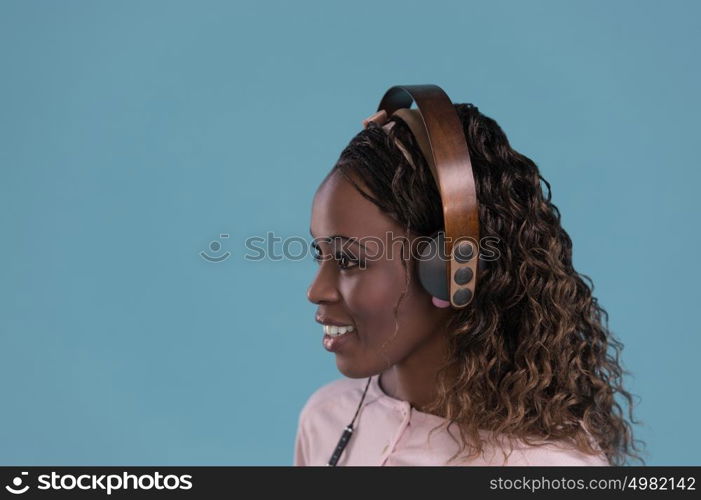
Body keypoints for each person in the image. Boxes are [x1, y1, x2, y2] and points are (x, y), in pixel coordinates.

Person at [295, 97, 644, 466]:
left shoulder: (545, 466)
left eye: (349, 260)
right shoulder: (325, 418)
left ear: (450, 270)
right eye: (321, 254)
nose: (316, 290)